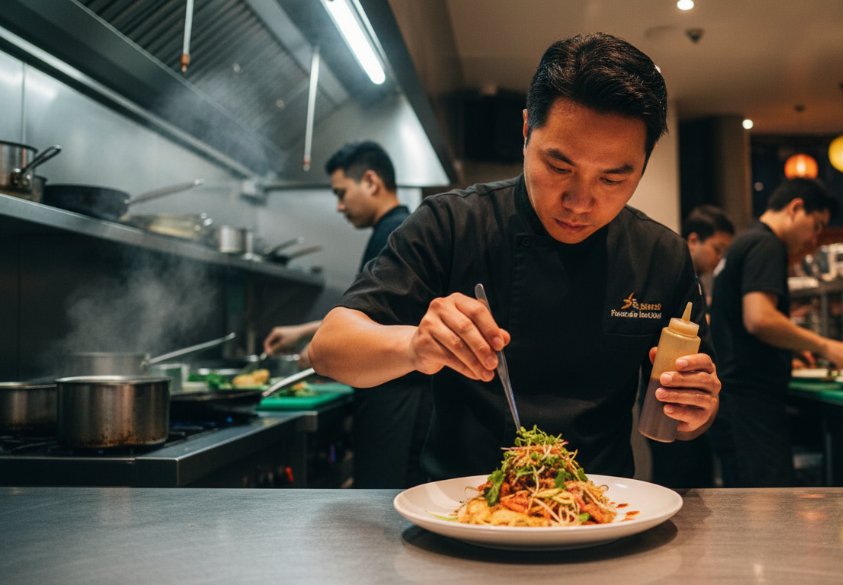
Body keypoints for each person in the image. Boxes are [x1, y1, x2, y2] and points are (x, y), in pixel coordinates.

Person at [308, 32, 721, 482]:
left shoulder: (661, 255)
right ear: (526, 131)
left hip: (601, 511)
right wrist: (413, 346)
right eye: (560, 167)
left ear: (643, 164)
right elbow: (328, 348)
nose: (580, 202)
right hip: (463, 509)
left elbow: (689, 417)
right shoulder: (453, 224)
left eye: (613, 179)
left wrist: (697, 408)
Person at [263, 141, 430, 489]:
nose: (339, 206)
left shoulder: (395, 232)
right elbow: (373, 314)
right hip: (392, 398)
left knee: (385, 507)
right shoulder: (394, 228)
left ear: (370, 181)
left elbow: (379, 326)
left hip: (395, 400)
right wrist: (305, 331)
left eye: (341, 193)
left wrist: (314, 355)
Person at [709, 178, 843, 487]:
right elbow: (759, 318)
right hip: (749, 400)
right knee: (765, 502)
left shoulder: (744, 241)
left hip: (732, 396)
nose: (814, 238)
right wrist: (825, 345)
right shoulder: (766, 244)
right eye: (816, 225)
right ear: (796, 208)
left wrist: (793, 348)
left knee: (744, 500)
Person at [648, 204, 734, 488]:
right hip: (659, 394)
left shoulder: (695, 286)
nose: (719, 258)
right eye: (717, 248)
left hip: (687, 397)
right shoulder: (663, 270)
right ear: (694, 239)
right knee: (674, 471)